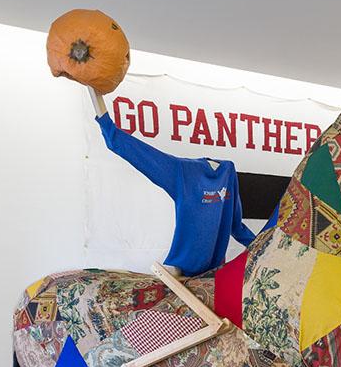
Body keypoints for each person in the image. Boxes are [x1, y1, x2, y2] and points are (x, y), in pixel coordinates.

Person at [91, 91, 255, 277]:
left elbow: (236, 226)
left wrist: (263, 246)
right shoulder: (183, 172)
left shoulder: (228, 172)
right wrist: (101, 112)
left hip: (212, 270)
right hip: (181, 268)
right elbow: (131, 149)